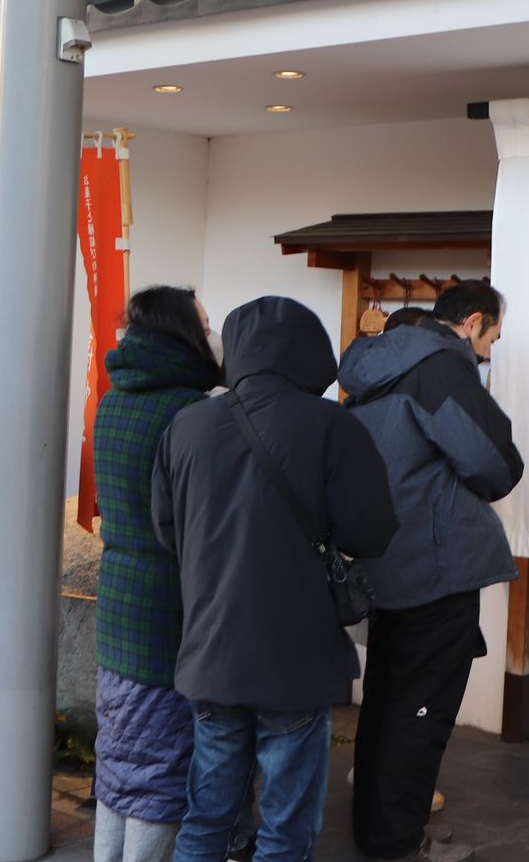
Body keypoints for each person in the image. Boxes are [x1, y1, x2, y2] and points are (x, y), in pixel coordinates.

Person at [152, 295, 398, 861]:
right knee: (286, 831)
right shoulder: (331, 426)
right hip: (296, 658)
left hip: (211, 651)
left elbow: (169, 533)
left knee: (207, 820)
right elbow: (373, 532)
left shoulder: (187, 425)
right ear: (309, 352)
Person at [340, 279, 524, 862]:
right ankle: (399, 843)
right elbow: (493, 461)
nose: (489, 350)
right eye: (491, 335)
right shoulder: (440, 368)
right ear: (471, 322)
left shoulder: (374, 368)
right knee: (421, 712)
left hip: (387, 563)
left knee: (389, 703)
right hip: (436, 566)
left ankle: (378, 831)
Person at [91, 287, 223, 862]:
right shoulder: (191, 411)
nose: (211, 328)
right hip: (168, 605)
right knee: (163, 764)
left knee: (120, 757)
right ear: (182, 331)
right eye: (203, 320)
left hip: (118, 594)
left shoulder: (113, 398)